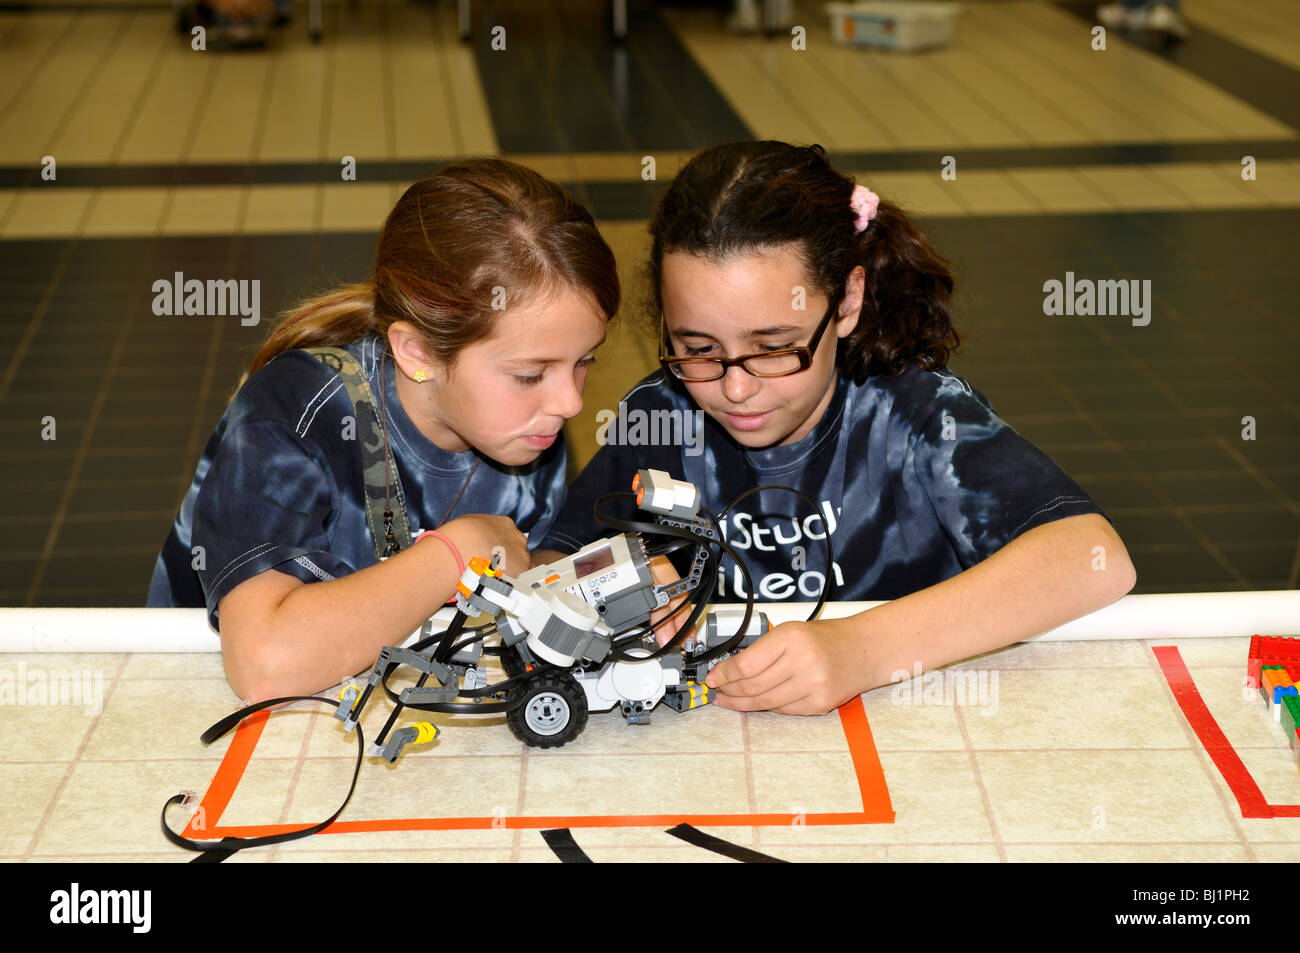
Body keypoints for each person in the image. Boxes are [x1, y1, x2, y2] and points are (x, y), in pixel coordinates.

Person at [538, 141, 1137, 716]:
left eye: (774, 348)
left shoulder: (916, 415)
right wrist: (621, 585)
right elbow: (549, 564)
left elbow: (1093, 558)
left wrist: (860, 650)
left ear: (847, 301)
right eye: (697, 348)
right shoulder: (663, 419)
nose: (736, 388)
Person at [148, 158, 619, 703]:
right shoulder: (290, 416)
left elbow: (525, 578)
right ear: (417, 352)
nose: (569, 402)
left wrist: (598, 584)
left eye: (585, 361)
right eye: (530, 374)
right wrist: (457, 551)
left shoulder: (525, 429)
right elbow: (264, 663)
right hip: (187, 699)